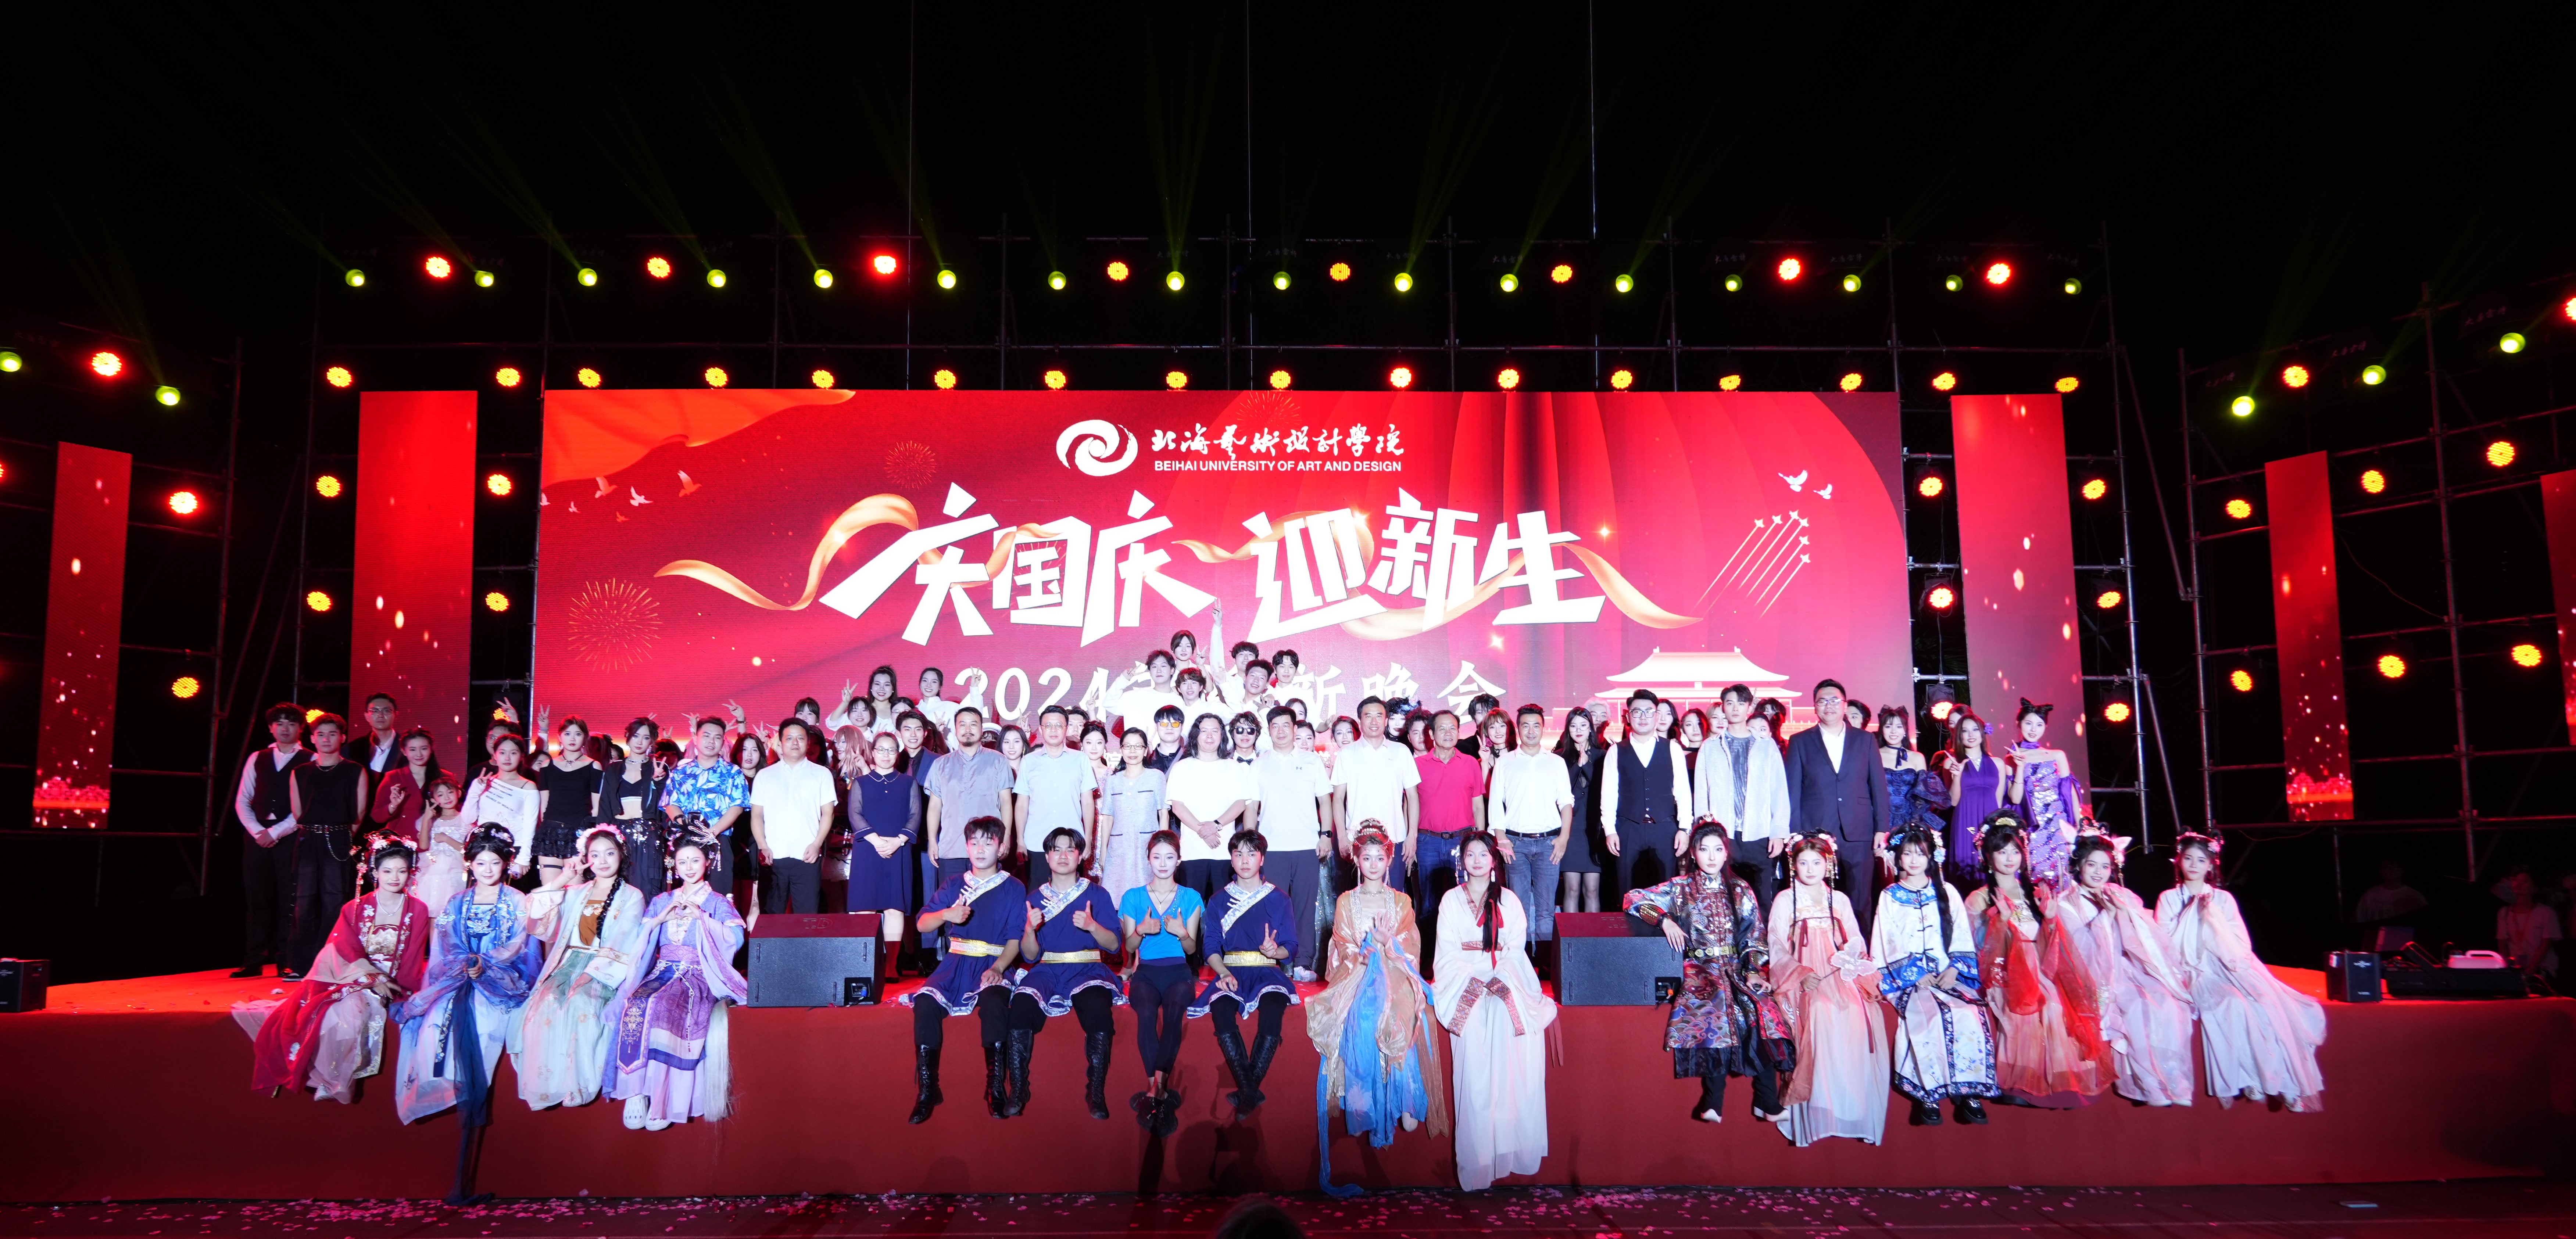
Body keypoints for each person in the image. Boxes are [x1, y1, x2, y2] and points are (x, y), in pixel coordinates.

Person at [394, 830, 539, 1204]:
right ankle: (447, 1087)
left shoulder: (517, 901)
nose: (488, 869)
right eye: (481, 863)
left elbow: (518, 945)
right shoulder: (457, 902)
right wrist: (467, 964)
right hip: (458, 977)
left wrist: (485, 965)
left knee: (484, 1030)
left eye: (495, 863)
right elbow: (446, 943)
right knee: (434, 1022)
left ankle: (470, 1095)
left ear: (506, 865)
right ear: (469, 865)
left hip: (502, 983)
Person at [1309, 826, 1448, 1196]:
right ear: (1357, 861)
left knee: (1401, 1009)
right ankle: (1367, 1104)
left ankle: (1404, 1098)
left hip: (1395, 970)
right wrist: (1361, 953)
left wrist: (1389, 946)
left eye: (1380, 858)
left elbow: (1411, 946)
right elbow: (1340, 945)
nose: (1373, 864)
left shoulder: (1401, 902)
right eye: (1366, 858)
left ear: (1389, 862)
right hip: (1357, 972)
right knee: (1362, 1013)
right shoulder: (1345, 901)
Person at [242, 838, 431, 1103]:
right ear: (374, 872)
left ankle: (332, 1079)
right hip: (353, 976)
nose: (395, 878)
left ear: (411, 873)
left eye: (402, 871)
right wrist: (371, 978)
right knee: (345, 1009)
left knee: (356, 1009)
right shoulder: (355, 907)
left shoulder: (418, 909)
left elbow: (412, 957)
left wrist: (402, 990)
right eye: (387, 871)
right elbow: (344, 948)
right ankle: (330, 1079)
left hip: (394, 981)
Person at [1622, 823, 1786, 1123]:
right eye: (1704, 849)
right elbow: (1633, 899)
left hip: (1737, 968)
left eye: (1718, 850)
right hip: (1700, 970)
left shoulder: (1740, 889)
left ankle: (1767, 1099)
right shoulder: (1680, 888)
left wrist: (1753, 970)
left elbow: (1754, 935)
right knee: (1715, 1010)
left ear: (1726, 854)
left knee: (1759, 1010)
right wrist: (1664, 920)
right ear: (1694, 853)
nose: (1712, 857)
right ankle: (1713, 1099)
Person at [2157, 833, 2326, 1110]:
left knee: (2267, 1004)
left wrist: (2212, 919)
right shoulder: (2169, 898)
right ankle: (2249, 1079)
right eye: (2188, 858)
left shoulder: (2223, 899)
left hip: (2227, 962)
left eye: (2201, 860)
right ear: (2179, 861)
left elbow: (2240, 942)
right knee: (2233, 1004)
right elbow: (2164, 944)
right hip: (2193, 969)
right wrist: (2194, 916)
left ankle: (2287, 1085)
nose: (2194, 865)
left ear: (2211, 865)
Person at [1431, 830, 1554, 1190]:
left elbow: (1515, 950)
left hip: (1505, 974)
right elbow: (1447, 952)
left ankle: (1512, 1143)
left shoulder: (1510, 901)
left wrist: (1499, 978)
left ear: (1494, 861)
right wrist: (1474, 982)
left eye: (1483, 855)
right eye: (1470, 855)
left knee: (1508, 1022)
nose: (1477, 861)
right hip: (1463, 979)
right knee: (1474, 1044)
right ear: (1463, 861)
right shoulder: (1451, 900)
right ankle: (1480, 1155)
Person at [1965, 817, 2111, 1108]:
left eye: (2015, 851)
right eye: (2002, 852)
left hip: (2040, 967)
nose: (2010, 858)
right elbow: (1981, 951)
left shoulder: (2034, 894)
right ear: (1988, 856)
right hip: (2004, 971)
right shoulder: (1979, 899)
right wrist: (2000, 923)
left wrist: (2051, 919)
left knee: (2058, 1003)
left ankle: (2060, 1082)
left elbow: (2050, 945)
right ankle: (2017, 1084)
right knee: (2030, 1005)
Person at [604, 839, 749, 1130]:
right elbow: (642, 937)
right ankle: (636, 1092)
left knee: (667, 1004)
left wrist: (703, 919)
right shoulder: (662, 901)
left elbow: (736, 939)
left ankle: (664, 1099)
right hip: (662, 971)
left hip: (698, 974)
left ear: (707, 863)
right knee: (637, 1001)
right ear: (674, 865)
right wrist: (659, 920)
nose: (689, 868)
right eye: (683, 862)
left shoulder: (717, 903)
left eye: (695, 861)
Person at [1764, 834, 1888, 1146]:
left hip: (1837, 972)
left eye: (1817, 863)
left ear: (1828, 865)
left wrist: (1853, 963)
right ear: (1793, 866)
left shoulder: (1839, 900)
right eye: (1803, 863)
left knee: (1856, 1012)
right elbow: (1776, 943)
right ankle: (1819, 1104)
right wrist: (1799, 974)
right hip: (1805, 974)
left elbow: (1855, 939)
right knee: (1820, 1013)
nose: (1810, 869)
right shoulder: (1785, 899)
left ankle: (1851, 1105)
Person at [901, 816, 1026, 1122]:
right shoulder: (954, 884)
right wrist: (947, 914)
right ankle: (928, 1089)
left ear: (1001, 848)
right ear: (967, 848)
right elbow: (922, 923)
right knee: (926, 1002)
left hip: (995, 963)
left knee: (995, 1002)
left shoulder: (1013, 887)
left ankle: (995, 1087)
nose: (981, 849)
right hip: (955, 964)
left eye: (988, 843)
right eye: (974, 843)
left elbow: (1016, 938)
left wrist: (999, 968)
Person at [511, 827, 645, 1110]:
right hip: (568, 964)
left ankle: (578, 1085)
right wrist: (564, 877)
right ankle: (547, 1085)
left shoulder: (632, 896)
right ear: (586, 858)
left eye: (610, 853)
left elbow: (625, 939)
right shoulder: (575, 892)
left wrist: (592, 974)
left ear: (622, 855)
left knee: (580, 1005)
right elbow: (534, 913)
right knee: (545, 1004)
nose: (603, 861)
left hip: (604, 969)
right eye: (595, 855)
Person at [1871, 827, 1997, 1126]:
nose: (1914, 860)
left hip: (1948, 975)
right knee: (1927, 1015)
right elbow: (1887, 941)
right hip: (1908, 979)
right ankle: (1928, 1092)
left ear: (1932, 857)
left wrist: (1955, 968)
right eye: (1908, 854)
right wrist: (1915, 974)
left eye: (1921, 854)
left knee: (1970, 1013)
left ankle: (1970, 1091)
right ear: (1898, 858)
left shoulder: (1947, 891)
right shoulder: (1890, 897)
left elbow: (1962, 932)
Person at [2059, 833, 2196, 1107]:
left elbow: (2145, 935)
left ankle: (2173, 1080)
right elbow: (2079, 948)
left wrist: (2125, 913)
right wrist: (2107, 917)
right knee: (2136, 1008)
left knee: (2168, 1002)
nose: (2099, 872)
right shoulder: (2066, 902)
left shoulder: (2120, 894)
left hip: (2130, 965)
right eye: (2092, 865)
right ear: (2079, 866)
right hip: (2096, 974)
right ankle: (2148, 1085)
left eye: (2105, 867)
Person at [1012, 827, 1127, 1120]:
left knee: (1098, 1008)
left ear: (1080, 856)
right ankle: (1019, 1089)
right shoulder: (1034, 897)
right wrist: (1029, 931)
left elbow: (1114, 945)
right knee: (1020, 1007)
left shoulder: (1097, 894)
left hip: (1087, 969)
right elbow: (1030, 956)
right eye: (1056, 849)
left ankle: (1096, 1092)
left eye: (1070, 849)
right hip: (1047, 970)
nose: (1063, 856)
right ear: (1047, 856)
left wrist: (1092, 926)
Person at [1191, 830, 1301, 1116]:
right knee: (1221, 1010)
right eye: (1238, 854)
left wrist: (1275, 952)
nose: (1245, 860)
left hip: (1268, 973)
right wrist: (1222, 973)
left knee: (1274, 1007)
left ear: (1262, 859)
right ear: (1231, 859)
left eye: (1252, 854)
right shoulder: (1218, 900)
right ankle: (1250, 1091)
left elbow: (1291, 947)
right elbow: (1211, 946)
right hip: (1230, 971)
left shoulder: (1279, 898)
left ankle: (1247, 1091)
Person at [1783, 679, 1889, 935]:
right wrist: (1796, 835)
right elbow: (1792, 792)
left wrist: (1881, 828)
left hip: (1859, 831)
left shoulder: (1865, 740)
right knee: (1818, 901)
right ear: (1815, 707)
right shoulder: (1800, 741)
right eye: (1822, 701)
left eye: (1834, 701)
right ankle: (1823, 950)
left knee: (1860, 900)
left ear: (1844, 705)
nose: (1828, 706)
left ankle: (1860, 954)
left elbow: (1878, 786)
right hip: (1815, 834)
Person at [1120, 830, 1203, 1133]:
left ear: (1179, 860)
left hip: (1178, 971)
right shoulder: (1133, 897)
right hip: (1146, 972)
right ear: (1149, 859)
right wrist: (1141, 930)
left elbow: (1191, 950)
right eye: (1157, 857)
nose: (1163, 863)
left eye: (1170, 857)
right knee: (1145, 1013)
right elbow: (1130, 947)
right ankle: (1156, 1088)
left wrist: (1182, 933)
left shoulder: (1191, 897)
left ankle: (1155, 1090)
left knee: (1174, 1012)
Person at [923, 705, 1013, 963]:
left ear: (982, 729)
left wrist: (1006, 837)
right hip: (952, 847)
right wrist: (932, 840)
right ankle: (954, 961)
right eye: (962, 724)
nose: (968, 729)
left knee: (989, 906)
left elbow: (1006, 802)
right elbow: (935, 806)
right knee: (953, 906)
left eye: (973, 724)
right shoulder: (941, 765)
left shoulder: (998, 761)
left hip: (988, 848)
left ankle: (991, 961)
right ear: (955, 730)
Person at [1250, 706, 1332, 980]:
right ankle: (1271, 962)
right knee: (1272, 907)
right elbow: (1252, 806)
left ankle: (1303, 963)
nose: (1281, 731)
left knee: (1305, 907)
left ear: (1295, 729)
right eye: (1275, 726)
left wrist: (1326, 835)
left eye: (1286, 725)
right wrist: (1250, 844)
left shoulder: (1312, 761)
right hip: (1271, 848)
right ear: (1269, 730)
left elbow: (1325, 801)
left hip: (1307, 845)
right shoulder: (1259, 764)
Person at [1486, 705, 1574, 955]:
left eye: (1536, 726)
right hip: (1515, 845)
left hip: (1549, 844)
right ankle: (1521, 962)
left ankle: (1546, 964)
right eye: (1526, 726)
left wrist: (1564, 838)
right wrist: (1502, 839)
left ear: (1544, 728)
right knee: (1519, 908)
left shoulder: (1556, 762)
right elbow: (1496, 804)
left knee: (1547, 910)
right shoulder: (1506, 763)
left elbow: (1566, 803)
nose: (1531, 731)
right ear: (1518, 729)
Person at [233, 704, 312, 978]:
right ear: (270, 727)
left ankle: (286, 959)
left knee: (290, 899)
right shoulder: (258, 757)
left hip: (291, 834)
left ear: (301, 728)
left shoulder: (310, 759)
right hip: (257, 835)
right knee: (257, 898)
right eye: (279, 723)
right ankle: (253, 959)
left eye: (291, 723)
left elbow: (306, 806)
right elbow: (243, 799)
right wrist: (258, 832)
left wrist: (277, 832)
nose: (285, 728)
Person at [286, 713, 367, 979]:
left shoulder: (355, 771)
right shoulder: (300, 772)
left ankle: (331, 963)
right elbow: (298, 812)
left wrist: (341, 835)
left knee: (335, 902)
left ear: (342, 738)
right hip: (309, 839)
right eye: (321, 735)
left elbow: (359, 813)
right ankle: (301, 965)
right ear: (312, 739)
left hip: (339, 838)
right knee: (303, 903)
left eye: (332, 734)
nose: (326, 739)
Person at [1695, 685, 1789, 909]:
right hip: (1722, 835)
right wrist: (1702, 832)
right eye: (1730, 703)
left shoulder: (1766, 746)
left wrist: (1779, 832)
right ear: (1723, 708)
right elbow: (1701, 792)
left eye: (1741, 703)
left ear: (1749, 707)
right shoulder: (1710, 747)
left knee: (1761, 901)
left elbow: (1779, 791)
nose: (1735, 708)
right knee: (1722, 900)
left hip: (1759, 833)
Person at [1601, 690, 1692, 899]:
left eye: (1649, 712)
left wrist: (1684, 829)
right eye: (1637, 712)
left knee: (1666, 893)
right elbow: (1609, 794)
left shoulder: (1672, 749)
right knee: (1627, 893)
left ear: (1657, 716)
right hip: (1628, 829)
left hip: (1665, 828)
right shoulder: (1616, 751)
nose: (1643, 717)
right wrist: (1610, 830)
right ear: (1628, 716)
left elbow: (1683, 792)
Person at [749, 719, 840, 914]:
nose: (795, 743)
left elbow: (828, 813)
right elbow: (757, 815)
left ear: (808, 742)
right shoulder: (765, 776)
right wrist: (763, 846)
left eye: (800, 738)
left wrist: (817, 844)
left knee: (807, 919)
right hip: (773, 857)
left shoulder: (822, 774)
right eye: (789, 738)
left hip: (807, 856)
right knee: (771, 918)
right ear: (781, 743)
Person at [1166, 712, 1255, 908]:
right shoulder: (1182, 768)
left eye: (1215, 731)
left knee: (1225, 910)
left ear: (1222, 735)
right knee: (1190, 912)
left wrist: (1215, 825)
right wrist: (1203, 830)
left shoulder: (1233, 767)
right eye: (1204, 731)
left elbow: (1240, 804)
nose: (1209, 736)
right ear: (1195, 735)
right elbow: (1178, 807)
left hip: (1224, 852)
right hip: (1191, 853)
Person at [847, 731, 919, 966]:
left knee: (895, 908)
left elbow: (915, 816)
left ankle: (891, 967)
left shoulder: (909, 783)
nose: (886, 755)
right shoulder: (861, 783)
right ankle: (864, 965)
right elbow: (855, 814)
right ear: (873, 752)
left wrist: (898, 841)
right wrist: (877, 841)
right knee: (864, 908)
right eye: (881, 750)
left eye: (891, 750)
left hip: (899, 851)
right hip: (868, 850)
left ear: (898, 754)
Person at [1331, 696, 1422, 873]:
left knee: (1394, 890)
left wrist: (1412, 835)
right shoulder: (1346, 754)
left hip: (1395, 839)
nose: (1374, 722)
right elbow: (1338, 798)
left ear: (1386, 720)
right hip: (1357, 841)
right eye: (1368, 716)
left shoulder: (1402, 752)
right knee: (1359, 891)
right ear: (1360, 721)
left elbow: (1412, 797)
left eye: (1379, 716)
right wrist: (1342, 836)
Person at [663, 717, 751, 898]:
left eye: (718, 737)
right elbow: (671, 804)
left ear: (723, 742)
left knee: (719, 896)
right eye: (707, 736)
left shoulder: (733, 772)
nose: (712, 741)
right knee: (685, 896)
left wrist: (712, 833)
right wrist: (688, 829)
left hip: (719, 841)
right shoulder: (680, 772)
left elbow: (737, 807)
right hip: (686, 842)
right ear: (695, 739)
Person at [1412, 711, 1484, 932]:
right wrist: (1411, 840)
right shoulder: (1417, 765)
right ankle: (1430, 952)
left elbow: (1478, 806)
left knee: (1465, 900)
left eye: (1453, 728)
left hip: (1463, 841)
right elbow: (1409, 805)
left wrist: (1480, 842)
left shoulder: (1470, 763)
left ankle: (1465, 947)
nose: (1448, 733)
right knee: (1428, 903)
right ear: (1431, 734)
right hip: (1428, 842)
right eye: (1442, 729)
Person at [2007, 700, 2083, 887]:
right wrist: (2019, 767)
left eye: (2039, 725)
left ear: (2045, 727)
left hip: (2058, 824)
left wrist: (2078, 825)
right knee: (2036, 877)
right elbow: (2015, 799)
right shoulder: (2011, 759)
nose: (2034, 730)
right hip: (2032, 826)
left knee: (2063, 874)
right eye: (2028, 723)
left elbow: (2069, 792)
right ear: (2019, 724)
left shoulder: (2057, 755)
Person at [1014, 705, 1100, 863]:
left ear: (1066, 729)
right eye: (1048, 725)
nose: (1054, 730)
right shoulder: (1029, 761)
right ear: (1041, 730)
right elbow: (1022, 805)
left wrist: (1088, 839)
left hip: (1072, 842)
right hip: (1036, 842)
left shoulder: (1081, 760)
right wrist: (1020, 841)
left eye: (1059, 725)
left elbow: (1088, 802)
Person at [1100, 727, 1170, 904]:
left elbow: (1164, 814)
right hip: (1119, 848)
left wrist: (1162, 847)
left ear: (1146, 751)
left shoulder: (1156, 777)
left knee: (1148, 898)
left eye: (1138, 746)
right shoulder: (1113, 780)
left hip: (1147, 846)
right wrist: (1103, 851)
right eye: (1128, 746)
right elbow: (1108, 818)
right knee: (1116, 898)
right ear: (1121, 750)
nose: (1133, 751)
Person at [532, 717, 605, 886]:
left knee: (574, 891)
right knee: (550, 891)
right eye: (567, 734)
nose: (572, 739)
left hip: (578, 834)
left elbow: (596, 808)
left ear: (585, 738)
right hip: (550, 834)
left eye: (578, 734)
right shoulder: (547, 766)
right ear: (560, 737)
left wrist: (588, 835)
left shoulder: (594, 766)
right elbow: (544, 805)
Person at [1937, 710, 2004, 882]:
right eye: (1965, 731)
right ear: (1959, 736)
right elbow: (1953, 801)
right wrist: (1957, 775)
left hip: (1990, 821)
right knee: (1966, 868)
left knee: (1992, 868)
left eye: (1975, 730)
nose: (1971, 735)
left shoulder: (1998, 763)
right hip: (1965, 819)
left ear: (1983, 733)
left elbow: (1998, 802)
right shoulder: (1951, 763)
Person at [603, 719, 669, 893]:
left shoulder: (658, 768)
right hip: (619, 835)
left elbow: (664, 805)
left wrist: (659, 781)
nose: (640, 742)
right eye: (636, 736)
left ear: (652, 741)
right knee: (618, 888)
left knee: (647, 888)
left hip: (649, 835)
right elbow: (605, 806)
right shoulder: (613, 769)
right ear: (627, 737)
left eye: (646, 738)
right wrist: (601, 837)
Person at [462, 733, 540, 878]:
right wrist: (475, 790)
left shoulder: (529, 787)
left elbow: (531, 825)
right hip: (483, 847)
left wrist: (524, 858)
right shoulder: (483, 783)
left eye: (514, 753)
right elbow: (468, 819)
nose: (508, 758)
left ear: (522, 756)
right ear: (495, 755)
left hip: (514, 849)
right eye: (503, 753)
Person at [1552, 708, 1605, 915]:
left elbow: (1603, 789)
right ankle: (1570, 934)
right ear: (1568, 729)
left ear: (1591, 728)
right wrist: (1578, 766)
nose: (1579, 730)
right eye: (1573, 726)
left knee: (1592, 890)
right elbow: (1560, 792)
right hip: (1570, 830)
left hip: (1594, 830)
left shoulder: (1603, 756)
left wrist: (1588, 765)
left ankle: (1593, 935)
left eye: (1583, 725)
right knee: (1572, 889)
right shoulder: (1559, 757)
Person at [1878, 706, 1948, 847]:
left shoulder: (1917, 757)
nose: (1893, 731)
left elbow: (1922, 796)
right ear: (1882, 730)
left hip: (1911, 819)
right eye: (1888, 726)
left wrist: (1914, 824)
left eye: (1899, 726)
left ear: (1905, 730)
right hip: (1881, 819)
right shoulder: (1874, 755)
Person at [366, 728, 441, 844]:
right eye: (413, 750)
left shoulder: (444, 778)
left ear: (431, 749)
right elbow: (377, 816)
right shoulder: (393, 777)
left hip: (434, 842)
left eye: (424, 749)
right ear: (404, 751)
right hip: (401, 844)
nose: (419, 754)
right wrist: (393, 806)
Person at [411, 776, 473, 915]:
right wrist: (427, 819)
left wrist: (446, 839)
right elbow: (423, 845)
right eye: (440, 795)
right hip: (431, 870)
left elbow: (468, 851)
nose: (447, 797)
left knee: (451, 911)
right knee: (429, 911)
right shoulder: (431, 820)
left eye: (450, 792)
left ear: (459, 793)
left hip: (455, 870)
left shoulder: (466, 820)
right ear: (434, 800)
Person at [2497, 869, 2561, 980]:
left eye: (2525, 882)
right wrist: (2508, 968)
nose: (2518, 884)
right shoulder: (2505, 913)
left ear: (2535, 888)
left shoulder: (2546, 913)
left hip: (2542, 969)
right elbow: (2502, 943)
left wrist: (2531, 970)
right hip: (2516, 969)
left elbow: (2546, 945)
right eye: (2516, 881)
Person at [1110, 650, 1185, 737]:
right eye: (1155, 667)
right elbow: (1109, 703)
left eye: (1163, 666)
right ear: (1150, 672)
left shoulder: (1182, 700)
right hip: (1137, 745)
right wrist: (1123, 680)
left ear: (1172, 670)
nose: (1159, 671)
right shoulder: (1134, 696)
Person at [2353, 858, 2427, 925]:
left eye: (2396, 867)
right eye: (2388, 867)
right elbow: (2359, 919)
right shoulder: (2369, 896)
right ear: (2381, 871)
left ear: (2403, 871)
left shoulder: (2415, 896)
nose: (2392, 870)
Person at [1146, 703, 1189, 772]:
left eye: (1175, 723)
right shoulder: (1147, 760)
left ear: (1182, 727)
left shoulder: (1191, 759)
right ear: (1156, 726)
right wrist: (1145, 757)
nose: (1169, 728)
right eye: (1164, 723)